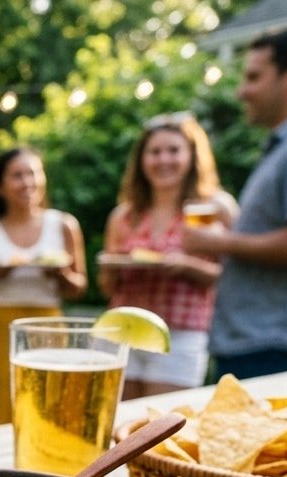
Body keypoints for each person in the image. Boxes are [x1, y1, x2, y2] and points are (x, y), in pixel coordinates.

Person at [183, 28, 287, 379]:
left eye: (254, 77)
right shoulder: (284, 146)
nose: (242, 91)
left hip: (274, 348)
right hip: (253, 344)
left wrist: (219, 241)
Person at [100, 113, 237, 398]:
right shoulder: (124, 215)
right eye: (154, 152)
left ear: (191, 155)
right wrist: (112, 267)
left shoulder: (215, 207)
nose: (164, 160)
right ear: (141, 160)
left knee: (166, 426)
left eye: (173, 150)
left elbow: (240, 278)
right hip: (123, 330)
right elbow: (107, 287)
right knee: (123, 429)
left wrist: (188, 267)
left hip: (181, 336)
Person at [0, 147, 87, 429]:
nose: (27, 182)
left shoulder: (63, 225)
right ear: (0, 187)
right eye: (17, 175)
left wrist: (60, 274)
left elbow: (78, 287)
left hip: (48, 331)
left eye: (33, 173)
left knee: (47, 416)